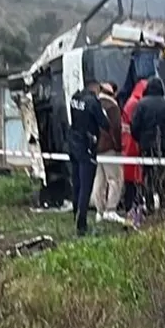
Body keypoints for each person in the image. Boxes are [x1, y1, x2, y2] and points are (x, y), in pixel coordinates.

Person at [130, 77, 165, 212]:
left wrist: (140, 140)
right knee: (163, 173)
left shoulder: (141, 105)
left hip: (147, 145)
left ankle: (149, 204)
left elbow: (134, 127)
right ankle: (163, 201)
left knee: (148, 175)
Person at [67, 82, 109, 236]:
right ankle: (81, 222)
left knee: (76, 182)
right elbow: (105, 123)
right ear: (95, 87)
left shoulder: (75, 97)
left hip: (74, 143)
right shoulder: (92, 102)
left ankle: (75, 211)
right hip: (87, 146)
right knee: (86, 185)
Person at [91, 82, 125, 225]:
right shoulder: (112, 107)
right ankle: (111, 210)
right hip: (108, 147)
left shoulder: (94, 104)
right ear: (114, 93)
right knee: (115, 179)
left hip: (95, 147)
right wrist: (118, 146)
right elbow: (116, 128)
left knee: (99, 180)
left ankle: (99, 211)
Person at [119, 80, 148, 218]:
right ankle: (133, 206)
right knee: (134, 179)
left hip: (127, 145)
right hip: (132, 146)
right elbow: (135, 125)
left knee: (130, 179)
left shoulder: (131, 101)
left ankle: (132, 205)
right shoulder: (136, 104)